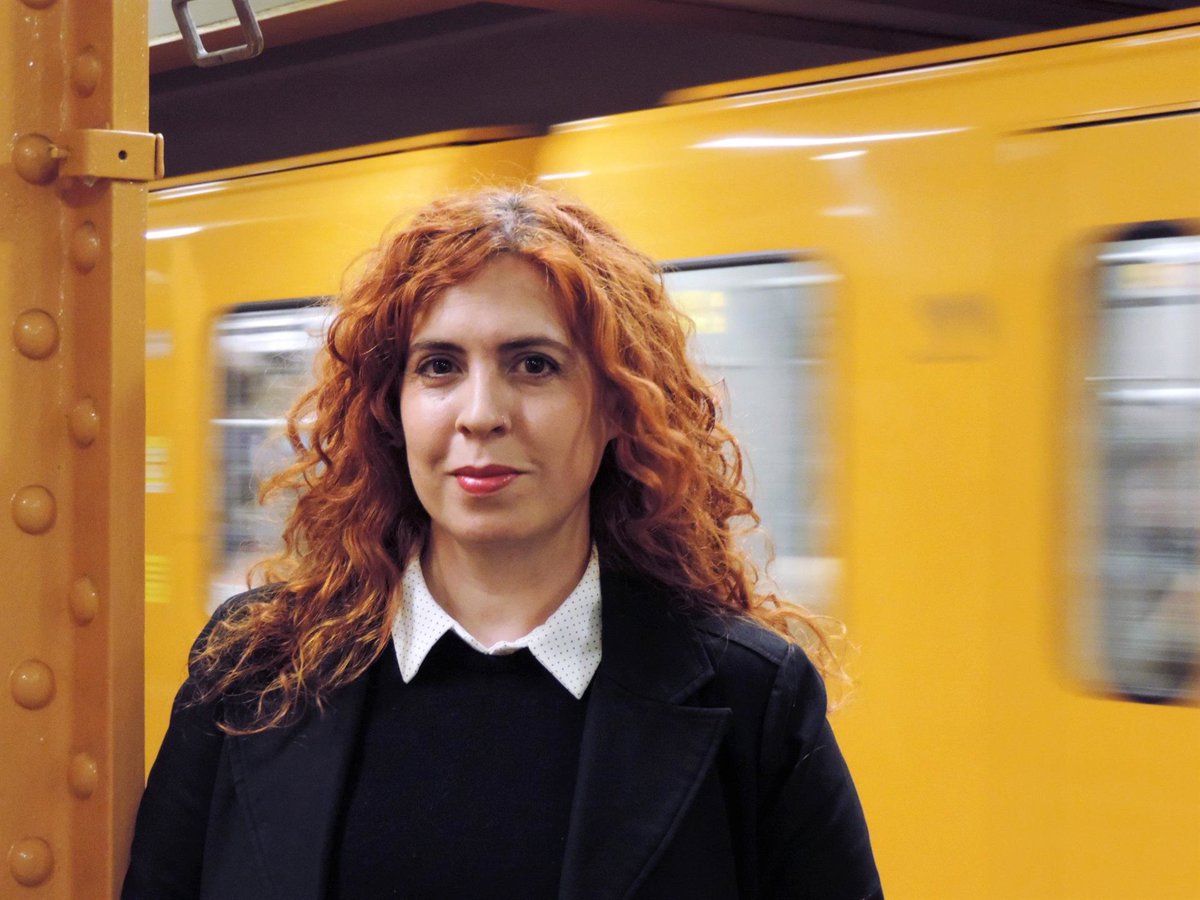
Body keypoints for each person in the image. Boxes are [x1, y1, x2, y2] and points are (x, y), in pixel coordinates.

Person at [123, 186, 882, 899]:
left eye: (534, 365)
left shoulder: (752, 698)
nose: (481, 413)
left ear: (617, 408)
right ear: (392, 411)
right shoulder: (256, 667)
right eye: (439, 367)